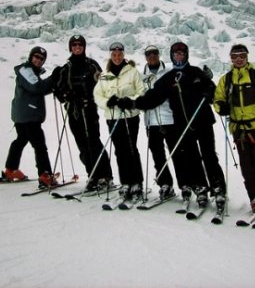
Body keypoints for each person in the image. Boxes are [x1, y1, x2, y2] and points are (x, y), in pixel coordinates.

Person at [116, 42, 226, 208]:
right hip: (183, 124)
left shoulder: (196, 72)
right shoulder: (168, 78)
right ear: (172, 56)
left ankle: (218, 188)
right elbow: (152, 98)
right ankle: (201, 188)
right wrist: (132, 104)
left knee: (209, 155)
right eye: (176, 54)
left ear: (186, 55)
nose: (178, 56)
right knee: (193, 157)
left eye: (181, 53)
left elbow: (213, 92)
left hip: (202, 121)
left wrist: (209, 90)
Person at [213, 44, 255, 213]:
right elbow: (218, 98)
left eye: (242, 56)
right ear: (231, 59)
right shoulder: (226, 79)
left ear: (247, 57)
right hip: (238, 128)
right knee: (247, 166)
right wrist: (221, 107)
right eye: (235, 57)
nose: (239, 60)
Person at [52, 35, 114, 191]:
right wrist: (67, 96)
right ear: (70, 47)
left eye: (80, 44)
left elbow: (102, 84)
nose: (77, 47)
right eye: (74, 44)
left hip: (89, 110)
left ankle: (105, 176)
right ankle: (92, 176)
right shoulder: (66, 68)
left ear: (84, 47)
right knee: (82, 145)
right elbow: (59, 91)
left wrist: (90, 98)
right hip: (74, 112)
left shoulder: (91, 65)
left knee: (94, 142)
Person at [93, 42, 146, 201]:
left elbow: (141, 92)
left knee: (131, 149)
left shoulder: (133, 72)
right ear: (111, 55)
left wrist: (129, 101)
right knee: (120, 151)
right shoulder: (104, 75)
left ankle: (136, 182)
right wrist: (107, 103)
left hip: (130, 117)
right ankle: (125, 182)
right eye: (114, 55)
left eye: (120, 54)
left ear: (124, 55)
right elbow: (98, 96)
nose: (117, 57)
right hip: (113, 117)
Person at [2, 46, 58, 188]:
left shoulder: (30, 72)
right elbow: (37, 87)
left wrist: (52, 85)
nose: (38, 60)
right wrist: (54, 78)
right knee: (39, 145)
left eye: (41, 58)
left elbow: (38, 89)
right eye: (36, 57)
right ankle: (45, 175)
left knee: (20, 140)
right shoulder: (26, 70)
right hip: (29, 115)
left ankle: (10, 170)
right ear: (31, 57)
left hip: (22, 115)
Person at [140, 45, 177, 200]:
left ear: (159, 54)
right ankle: (165, 184)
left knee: (178, 154)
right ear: (146, 56)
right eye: (149, 54)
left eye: (155, 53)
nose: (152, 56)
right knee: (157, 155)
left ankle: (187, 184)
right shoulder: (141, 76)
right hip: (152, 121)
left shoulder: (169, 71)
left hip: (170, 119)